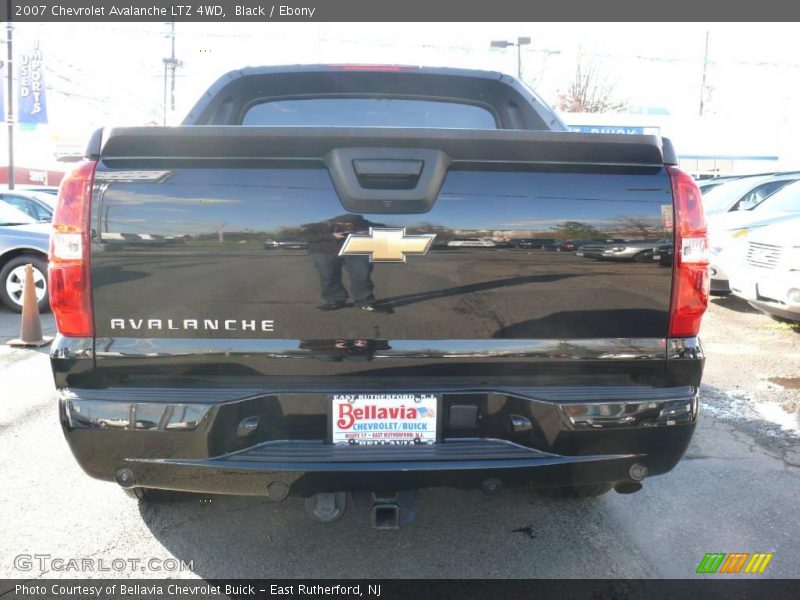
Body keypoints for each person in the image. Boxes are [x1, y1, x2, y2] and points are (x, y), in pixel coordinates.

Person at [300, 214, 389, 312]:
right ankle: (334, 301)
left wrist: (368, 232)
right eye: (343, 223)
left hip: (356, 252)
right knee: (328, 277)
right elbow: (303, 236)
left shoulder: (366, 224)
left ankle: (365, 302)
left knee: (362, 276)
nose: (347, 225)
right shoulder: (322, 225)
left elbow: (385, 231)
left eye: (350, 224)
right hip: (324, 252)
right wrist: (331, 236)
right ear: (336, 221)